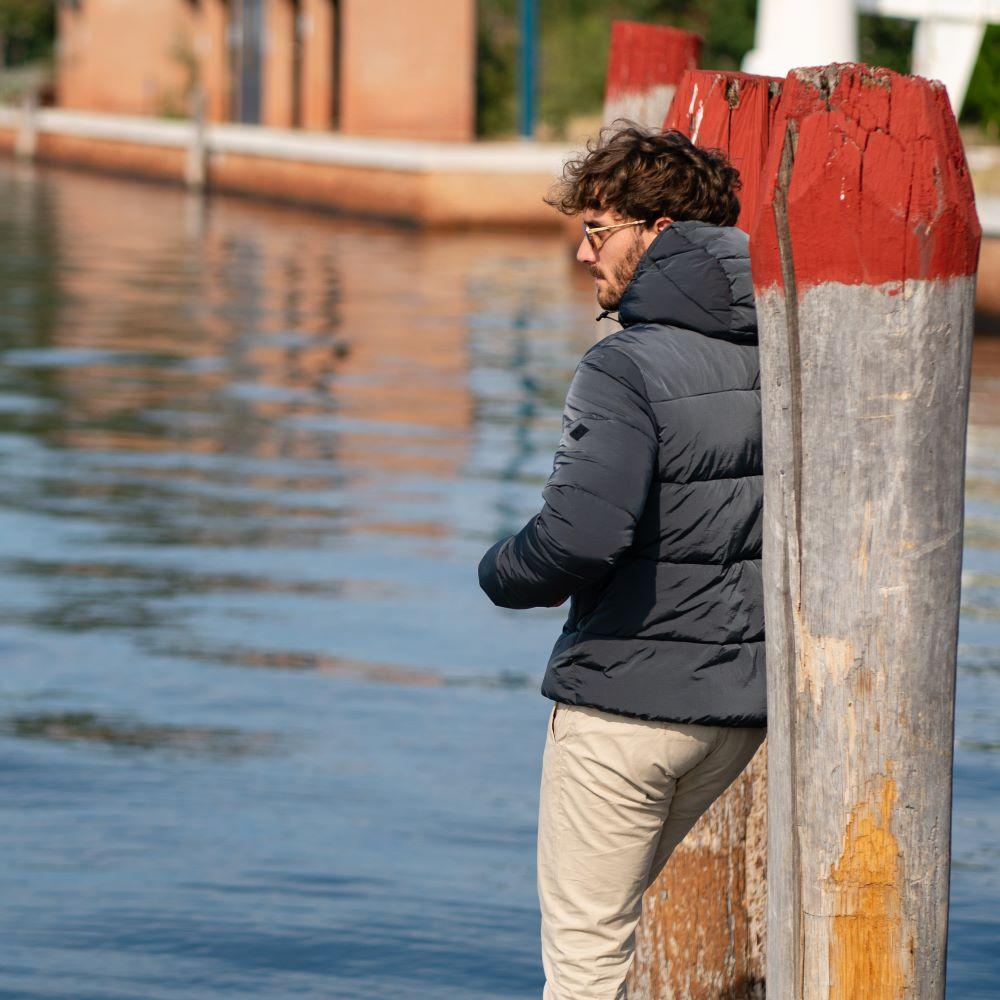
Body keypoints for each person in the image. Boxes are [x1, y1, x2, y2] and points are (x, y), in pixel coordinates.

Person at [478, 124, 766, 1000]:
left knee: (586, 966)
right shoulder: (787, 347)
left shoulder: (626, 367)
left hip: (624, 712)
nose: (581, 252)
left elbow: (578, 538)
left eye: (598, 229)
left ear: (659, 227)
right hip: (738, 712)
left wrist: (496, 570)